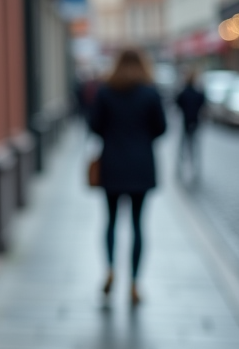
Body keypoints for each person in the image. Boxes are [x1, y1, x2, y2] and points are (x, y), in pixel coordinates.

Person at [88, 49, 167, 305]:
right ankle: (134, 282)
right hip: (141, 166)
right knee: (137, 224)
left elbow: (94, 126)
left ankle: (110, 269)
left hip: (112, 163)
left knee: (110, 221)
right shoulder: (150, 93)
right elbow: (161, 128)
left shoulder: (106, 91)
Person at [175, 70, 206, 181]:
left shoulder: (184, 93)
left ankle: (180, 167)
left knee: (183, 146)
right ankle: (194, 168)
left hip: (186, 122)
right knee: (194, 147)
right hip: (195, 122)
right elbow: (203, 103)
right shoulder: (198, 93)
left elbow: (177, 102)